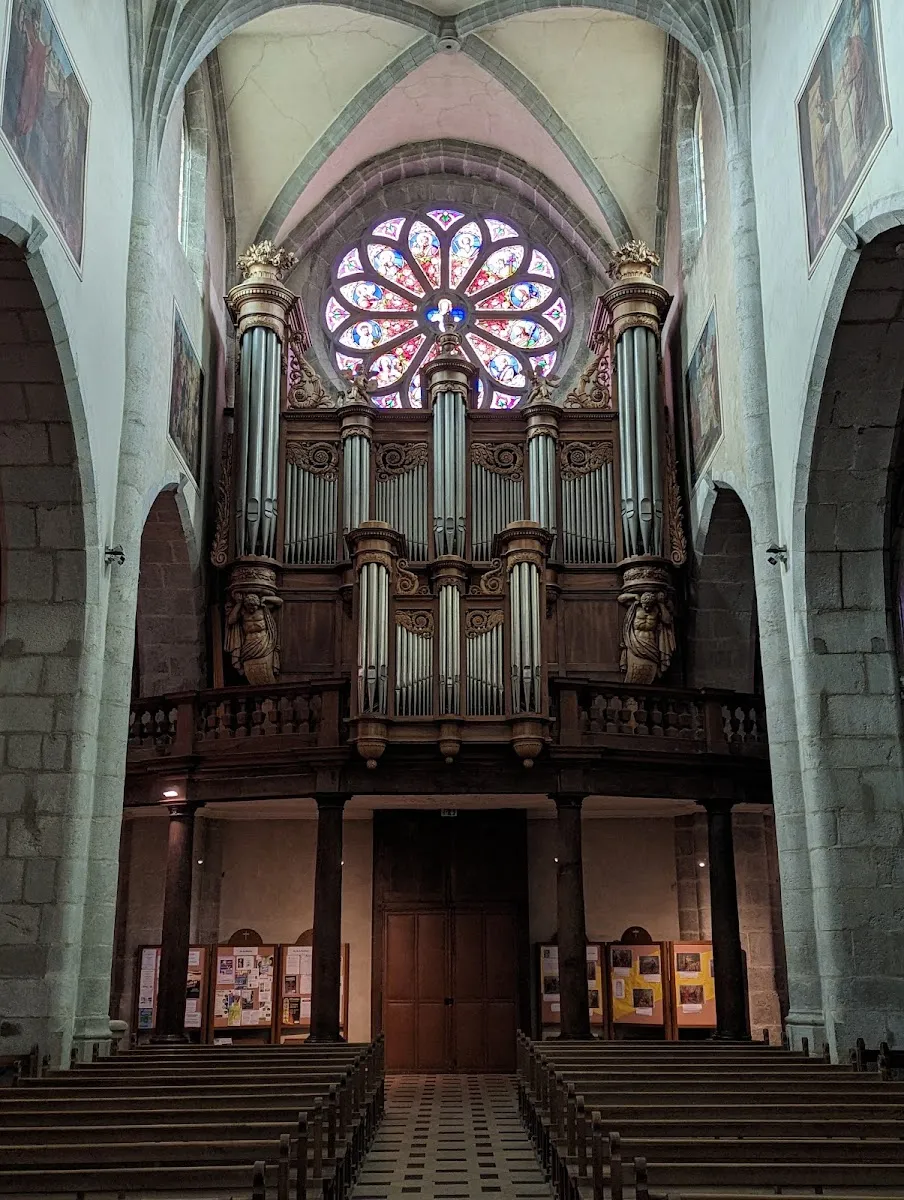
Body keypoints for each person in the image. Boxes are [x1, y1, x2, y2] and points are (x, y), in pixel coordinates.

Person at [225, 590, 284, 684]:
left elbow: (280, 602)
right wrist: (239, 604)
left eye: (254, 606)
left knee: (265, 668)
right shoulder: (243, 612)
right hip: (249, 643)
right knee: (250, 669)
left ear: (258, 604)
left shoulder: (263, 609)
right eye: (249, 606)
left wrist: (266, 598)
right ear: (246, 605)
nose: (252, 608)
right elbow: (231, 620)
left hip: (264, 642)